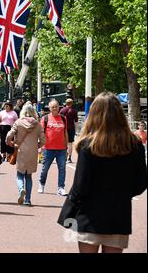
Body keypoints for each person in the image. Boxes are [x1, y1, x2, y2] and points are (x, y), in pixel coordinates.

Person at [57, 92, 147, 253]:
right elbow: (141, 183)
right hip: (118, 214)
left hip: (89, 215)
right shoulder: (134, 144)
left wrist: (69, 212)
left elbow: (80, 186)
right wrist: (123, 193)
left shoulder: (88, 145)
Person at [6, 102, 45, 206]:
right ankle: (27, 200)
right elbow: (43, 140)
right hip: (32, 152)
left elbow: (9, 135)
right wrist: (37, 146)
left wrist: (10, 143)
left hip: (21, 151)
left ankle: (21, 188)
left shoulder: (18, 122)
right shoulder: (37, 124)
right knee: (29, 176)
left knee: (19, 174)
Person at [38, 99, 68, 196]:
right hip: (48, 148)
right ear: (50, 108)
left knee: (62, 169)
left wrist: (66, 146)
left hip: (61, 149)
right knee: (45, 168)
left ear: (59, 107)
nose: (55, 108)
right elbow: (41, 133)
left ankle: (61, 188)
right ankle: (41, 184)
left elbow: (65, 132)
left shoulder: (63, 118)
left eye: (56, 106)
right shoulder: (45, 118)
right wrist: (41, 146)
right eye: (53, 107)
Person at [60, 98, 78, 163]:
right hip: (71, 128)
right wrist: (75, 130)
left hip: (63, 128)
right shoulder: (74, 111)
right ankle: (69, 158)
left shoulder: (62, 110)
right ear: (72, 103)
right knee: (70, 143)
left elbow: (59, 120)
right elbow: (76, 122)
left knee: (64, 143)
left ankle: (64, 157)